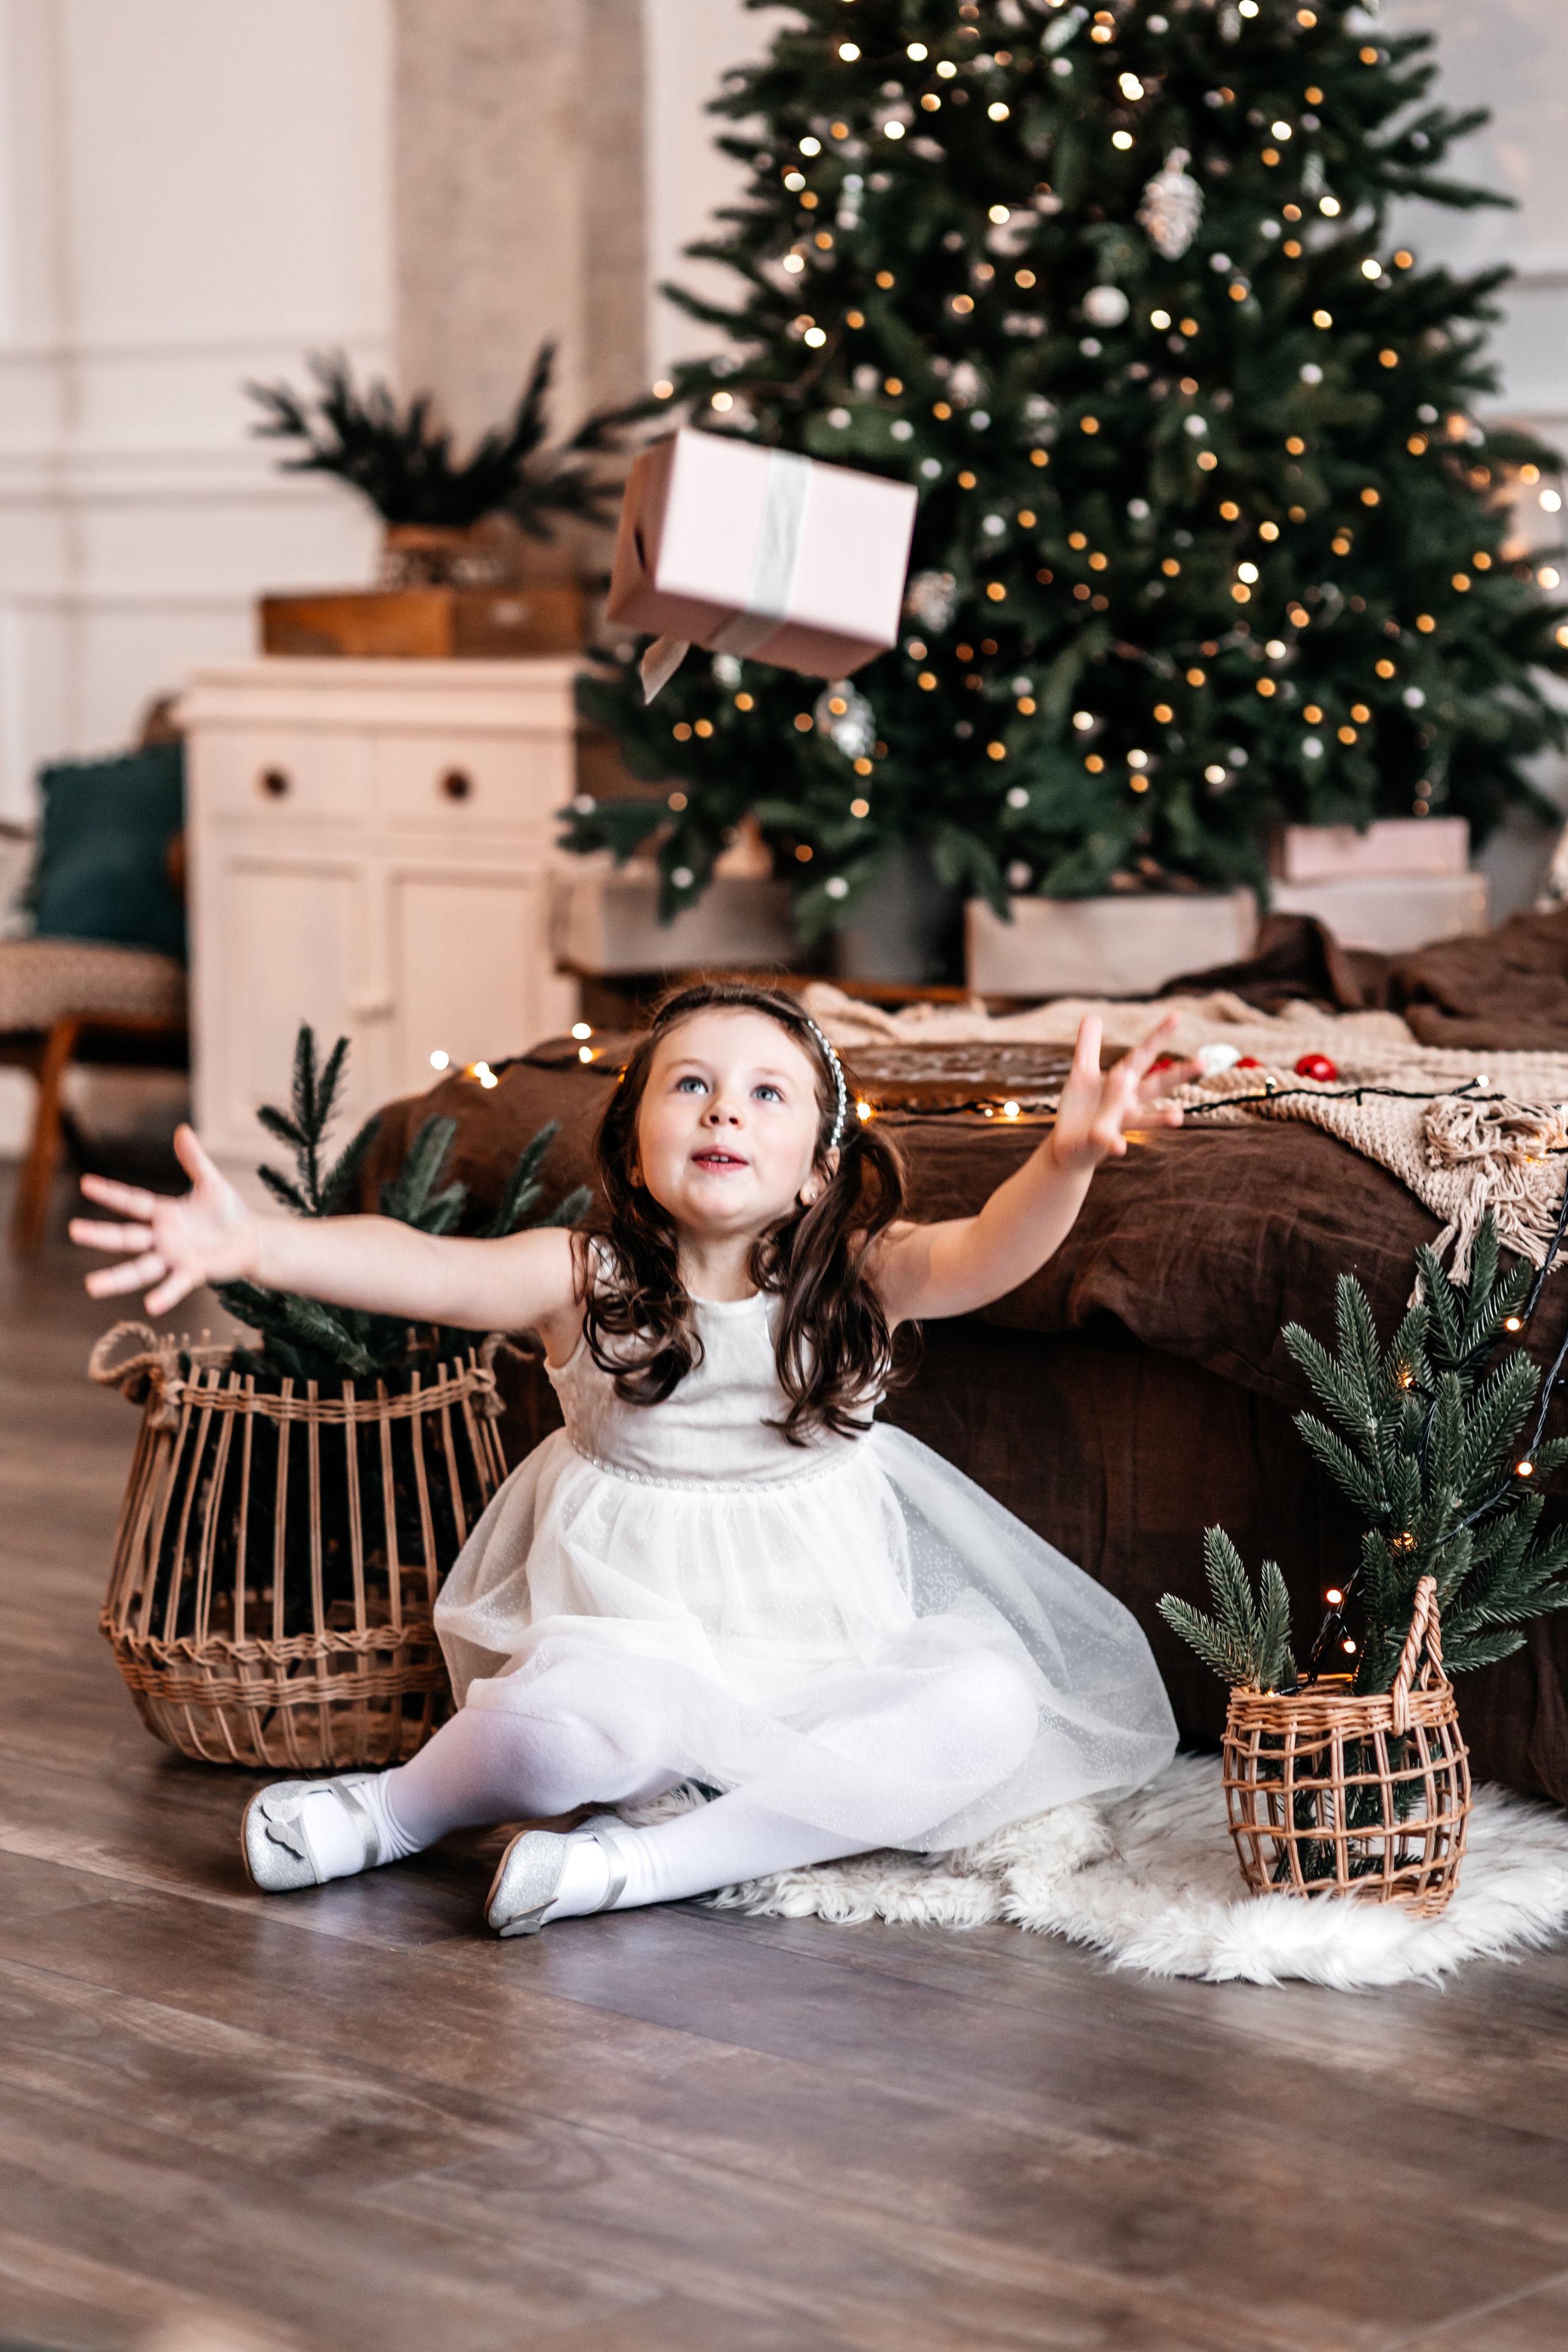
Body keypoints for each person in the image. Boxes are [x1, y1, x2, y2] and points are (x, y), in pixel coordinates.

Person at [72, 980, 1190, 1937]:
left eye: (767, 1093)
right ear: (637, 1141)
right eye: (690, 1084)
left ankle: (642, 1869)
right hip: (637, 1655)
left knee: (988, 1709)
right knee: (569, 1732)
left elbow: (987, 1253)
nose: (725, 1111)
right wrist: (257, 1243)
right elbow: (425, 1265)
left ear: (814, 1168)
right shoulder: (586, 1281)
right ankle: (393, 1811)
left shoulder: (857, 1276)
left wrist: (1065, 1160)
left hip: (825, 1671)